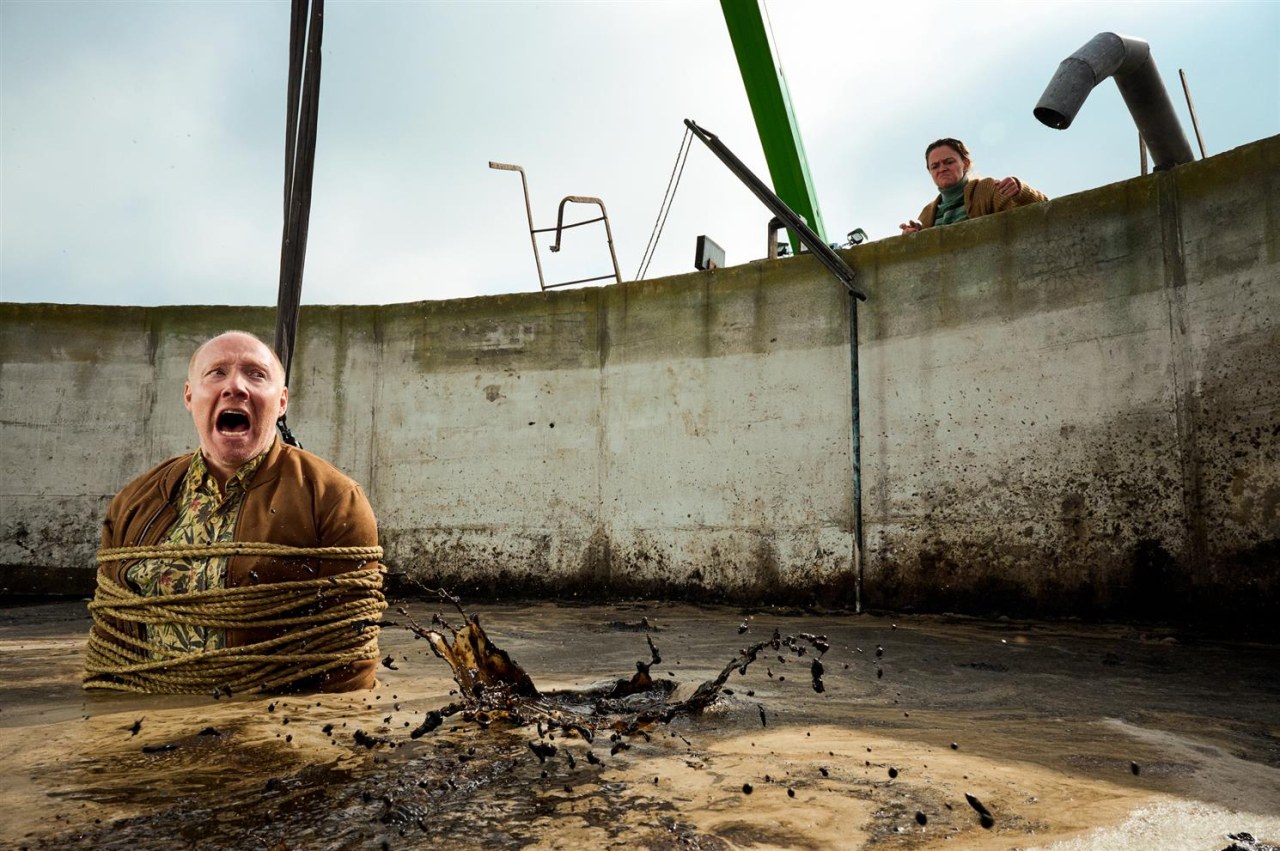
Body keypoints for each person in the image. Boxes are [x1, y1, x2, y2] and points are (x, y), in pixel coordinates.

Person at [85, 331, 384, 693]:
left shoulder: (333, 499)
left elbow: (349, 661)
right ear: (189, 396)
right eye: (216, 373)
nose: (235, 387)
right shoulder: (135, 501)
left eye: (256, 374)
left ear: (282, 401)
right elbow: (109, 645)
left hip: (269, 729)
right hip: (145, 723)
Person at [900, 138, 1047, 233]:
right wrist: (911, 237)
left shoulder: (988, 189)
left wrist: (1020, 191)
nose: (942, 168)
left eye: (949, 162)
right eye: (935, 166)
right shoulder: (927, 214)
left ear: (965, 164)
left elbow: (1044, 210)